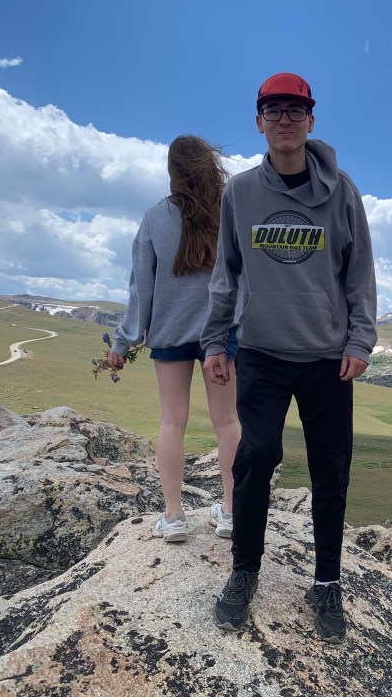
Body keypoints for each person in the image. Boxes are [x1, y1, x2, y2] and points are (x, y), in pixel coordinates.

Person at [201, 72, 377, 644]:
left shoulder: (343, 191)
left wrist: (359, 341)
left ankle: (327, 582)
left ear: (311, 120)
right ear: (259, 122)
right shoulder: (240, 192)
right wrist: (214, 340)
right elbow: (225, 272)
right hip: (261, 351)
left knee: (331, 469)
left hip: (327, 357)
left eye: (295, 110)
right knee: (255, 456)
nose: (285, 119)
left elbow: (359, 272)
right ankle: (244, 570)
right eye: (273, 110)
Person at [110, 134, 241, 544]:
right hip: (222, 334)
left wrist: (123, 342)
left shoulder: (154, 218)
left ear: (172, 171)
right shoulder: (230, 211)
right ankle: (232, 513)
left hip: (169, 334)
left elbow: (141, 288)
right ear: (211, 167)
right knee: (228, 421)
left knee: (171, 421)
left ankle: (173, 516)